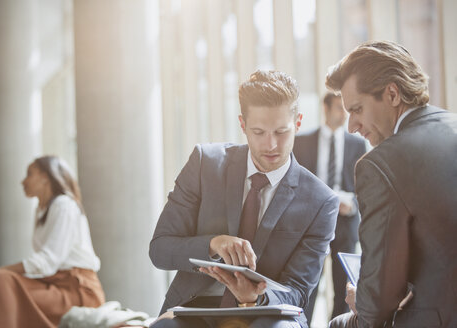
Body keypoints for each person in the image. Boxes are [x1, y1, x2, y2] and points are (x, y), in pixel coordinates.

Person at [149, 70, 339, 328]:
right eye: (259, 132)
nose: (271, 144)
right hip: (195, 308)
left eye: (281, 131)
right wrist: (213, 244)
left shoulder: (321, 200)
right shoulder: (205, 164)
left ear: (298, 123)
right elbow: (160, 249)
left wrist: (255, 297)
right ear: (242, 125)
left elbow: (299, 290)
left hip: (269, 313)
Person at [325, 40, 457, 328]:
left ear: (393, 94)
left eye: (357, 109)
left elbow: (375, 307)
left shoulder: (380, 164)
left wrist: (362, 297)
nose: (352, 126)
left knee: (343, 323)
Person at [0, 155, 105, 328]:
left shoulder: (64, 205)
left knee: (2, 279)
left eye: (29, 174)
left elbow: (48, 261)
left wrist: (1, 270)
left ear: (46, 176)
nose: (23, 181)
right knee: (3, 281)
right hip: (53, 284)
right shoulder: (41, 210)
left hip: (77, 291)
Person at [293, 92, 366, 323]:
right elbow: (296, 183)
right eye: (338, 108)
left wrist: (352, 204)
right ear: (325, 109)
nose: (344, 114)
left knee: (343, 287)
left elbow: (364, 186)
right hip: (311, 222)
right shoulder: (303, 142)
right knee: (310, 284)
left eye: (346, 108)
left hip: (345, 222)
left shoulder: (357, 143)